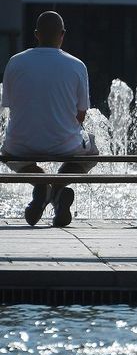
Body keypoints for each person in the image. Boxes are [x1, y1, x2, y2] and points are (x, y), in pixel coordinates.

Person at [0, 11, 98, 227]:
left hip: (20, 145)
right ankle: (58, 189)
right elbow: (81, 115)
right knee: (92, 151)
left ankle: (42, 184)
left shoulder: (14, 62)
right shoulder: (77, 65)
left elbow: (10, 106)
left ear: (36, 34)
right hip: (65, 144)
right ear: (62, 34)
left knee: (8, 153)